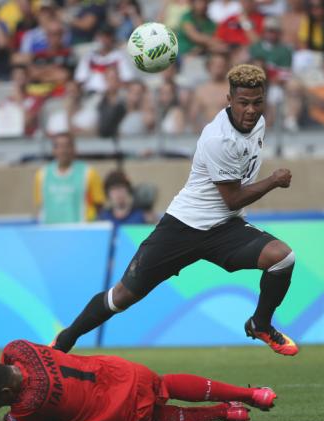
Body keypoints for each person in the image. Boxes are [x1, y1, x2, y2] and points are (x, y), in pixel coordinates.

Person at [52, 64, 299, 356]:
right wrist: (273, 181)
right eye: (243, 103)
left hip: (225, 228)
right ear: (229, 99)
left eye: (257, 103)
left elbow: (230, 206)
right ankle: (64, 341)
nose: (251, 110)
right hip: (183, 226)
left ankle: (260, 324)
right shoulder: (217, 139)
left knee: (282, 258)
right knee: (122, 297)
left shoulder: (257, 122)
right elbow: (232, 198)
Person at [0, 339, 278, 421]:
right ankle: (251, 394)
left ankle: (225, 413)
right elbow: (1, 388)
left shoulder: (30, 405)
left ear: (6, 397)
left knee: (160, 418)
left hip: (113, 409)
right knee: (165, 384)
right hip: (119, 372)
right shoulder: (16, 349)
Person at [34, 132, 105, 224]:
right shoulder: (42, 174)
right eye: (59, 146)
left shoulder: (89, 173)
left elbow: (99, 203)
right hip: (51, 232)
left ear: (74, 149)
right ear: (53, 150)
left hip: (80, 231)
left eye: (67, 146)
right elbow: (41, 204)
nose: (63, 150)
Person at [189, 52, 230, 130]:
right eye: (215, 65)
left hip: (228, 133)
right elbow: (193, 116)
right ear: (208, 67)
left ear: (226, 67)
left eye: (222, 65)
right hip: (206, 133)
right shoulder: (201, 91)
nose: (219, 67)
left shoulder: (232, 89)